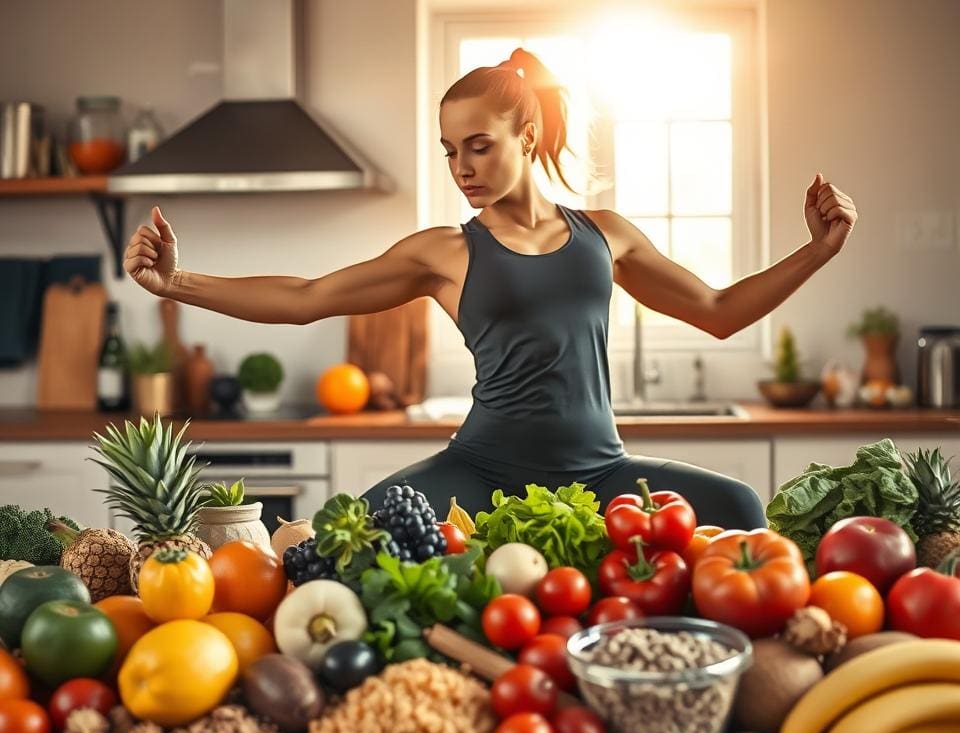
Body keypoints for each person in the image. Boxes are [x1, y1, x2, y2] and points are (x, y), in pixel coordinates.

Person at [123, 48, 857, 528]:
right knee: (357, 526)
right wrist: (176, 281)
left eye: (480, 145)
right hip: (481, 470)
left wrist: (816, 252)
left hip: (600, 473)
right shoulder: (444, 253)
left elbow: (721, 314)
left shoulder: (608, 235)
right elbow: (308, 296)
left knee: (737, 505)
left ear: (527, 136)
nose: (463, 167)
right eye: (450, 151)